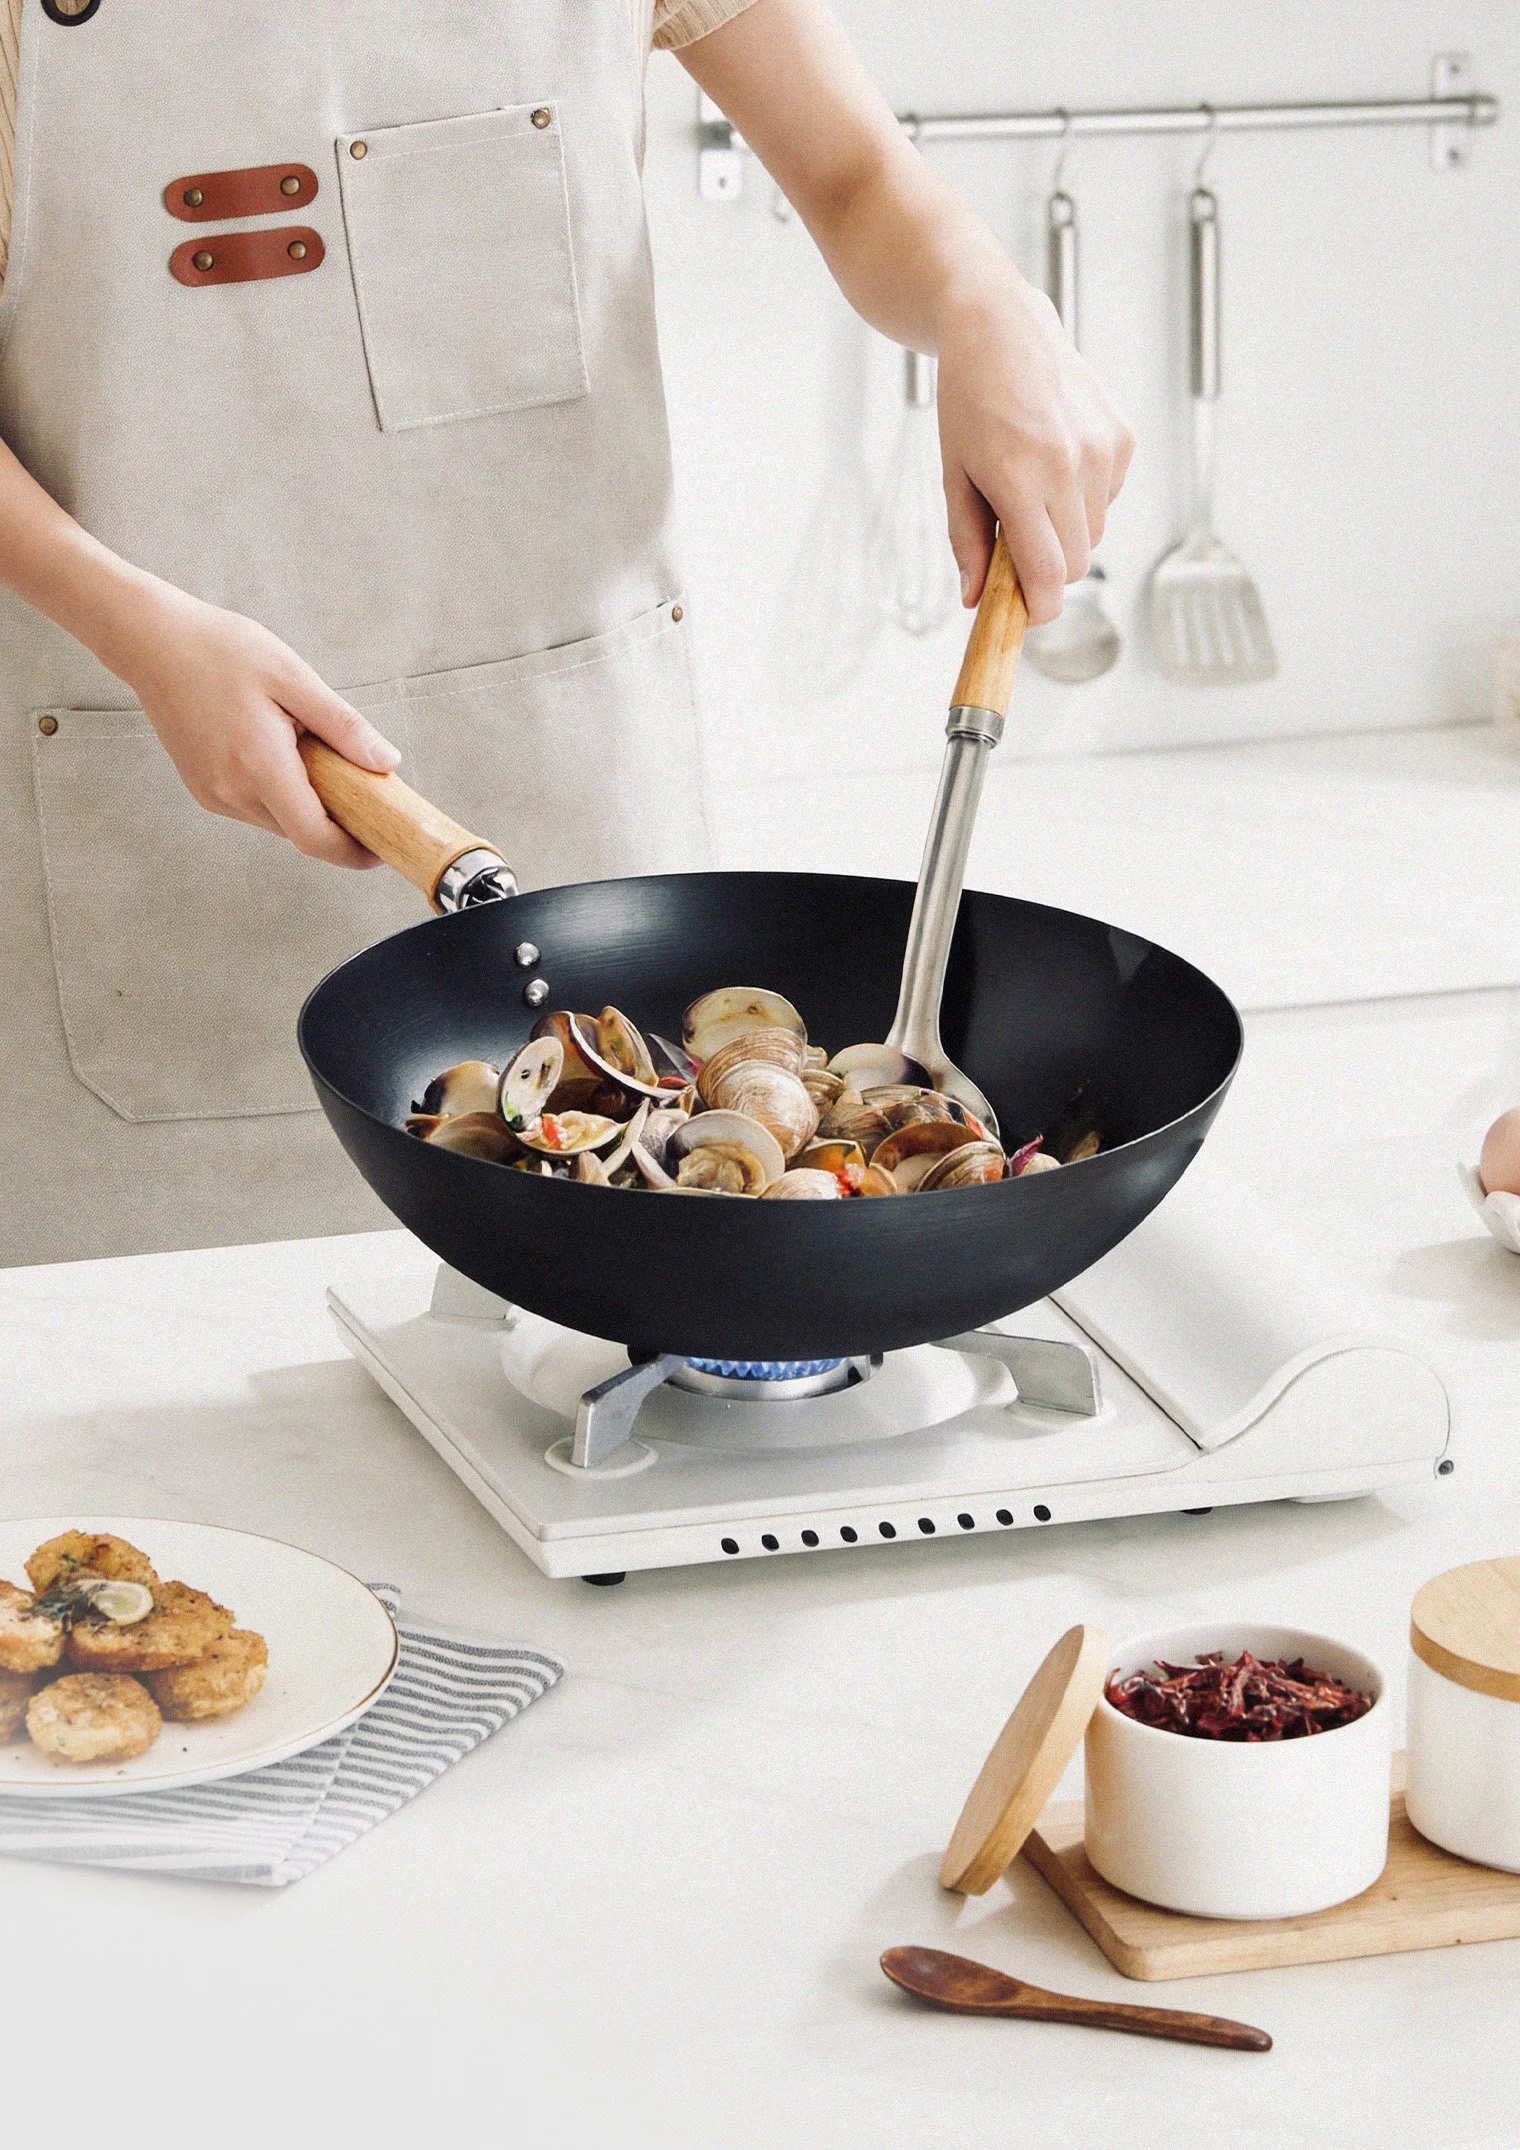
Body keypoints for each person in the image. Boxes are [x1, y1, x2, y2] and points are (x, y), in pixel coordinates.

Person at [0, 0, 1131, 1267]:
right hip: (152, 840)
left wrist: (987, 303)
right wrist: (137, 625)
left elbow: (856, 174)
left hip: (574, 796)